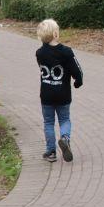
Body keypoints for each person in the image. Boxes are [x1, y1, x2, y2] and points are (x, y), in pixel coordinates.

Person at [36, 18, 83, 163]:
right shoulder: (66, 52)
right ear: (56, 33)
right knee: (64, 119)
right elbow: (77, 70)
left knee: (48, 122)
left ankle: (51, 152)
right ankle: (65, 138)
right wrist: (78, 81)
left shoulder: (39, 53)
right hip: (63, 93)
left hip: (46, 94)